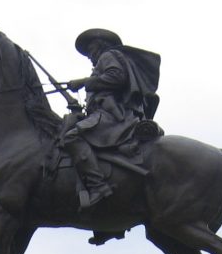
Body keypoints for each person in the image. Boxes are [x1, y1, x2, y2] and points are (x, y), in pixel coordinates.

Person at [60, 28, 160, 209]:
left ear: (101, 46)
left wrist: (84, 82)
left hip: (113, 117)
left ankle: (98, 186)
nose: (90, 55)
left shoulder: (109, 56)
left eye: (92, 50)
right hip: (105, 114)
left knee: (71, 137)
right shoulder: (106, 60)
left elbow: (116, 77)